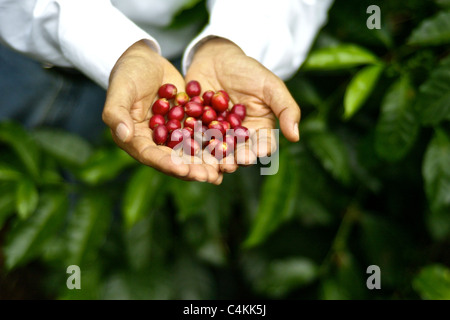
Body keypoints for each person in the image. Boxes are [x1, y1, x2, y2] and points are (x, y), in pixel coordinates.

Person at [0, 0, 333, 185]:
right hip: (18, 47)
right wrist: (115, 48)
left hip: (166, 62)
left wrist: (234, 40)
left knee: (90, 184)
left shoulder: (175, 98)